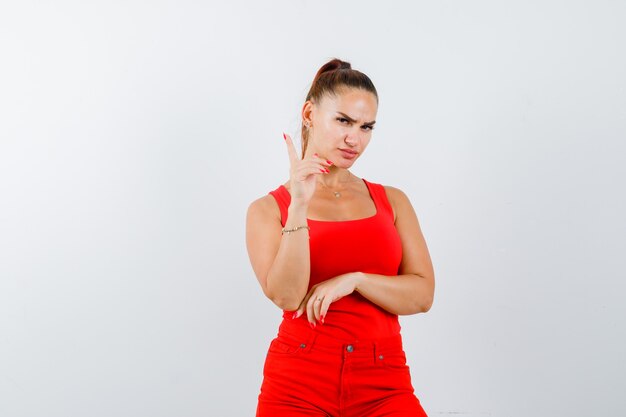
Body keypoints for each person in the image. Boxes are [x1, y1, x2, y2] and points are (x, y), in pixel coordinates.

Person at [245, 58, 435, 417]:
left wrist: (356, 281)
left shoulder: (391, 200)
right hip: (299, 381)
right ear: (309, 114)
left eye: (366, 127)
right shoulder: (268, 210)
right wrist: (299, 205)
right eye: (343, 120)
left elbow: (422, 295)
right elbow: (287, 296)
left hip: (384, 382)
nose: (354, 138)